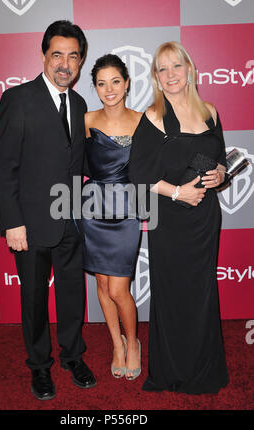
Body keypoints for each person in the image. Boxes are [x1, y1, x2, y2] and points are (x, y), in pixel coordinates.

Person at [0, 20, 96, 401]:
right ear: (43, 56)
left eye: (72, 56)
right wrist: (12, 222)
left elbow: (80, 162)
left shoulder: (80, 104)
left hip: (71, 220)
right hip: (30, 224)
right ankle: (39, 366)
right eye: (57, 55)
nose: (64, 63)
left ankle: (73, 355)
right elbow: (3, 167)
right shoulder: (18, 99)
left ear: (81, 61)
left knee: (72, 294)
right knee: (34, 299)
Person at [128, 41, 229, 394]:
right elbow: (138, 173)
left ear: (190, 69)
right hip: (170, 220)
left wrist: (220, 175)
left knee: (202, 292)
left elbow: (220, 161)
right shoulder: (154, 116)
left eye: (176, 66)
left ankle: (204, 367)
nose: (170, 74)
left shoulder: (210, 113)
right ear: (156, 77)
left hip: (204, 220)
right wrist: (177, 191)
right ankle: (172, 370)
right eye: (162, 69)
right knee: (172, 293)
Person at [82, 54, 142, 380]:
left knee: (119, 289)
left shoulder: (142, 120)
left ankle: (133, 342)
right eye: (102, 83)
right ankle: (116, 344)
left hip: (127, 210)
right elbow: (65, 158)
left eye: (115, 81)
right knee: (103, 286)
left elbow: (157, 164)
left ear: (127, 83)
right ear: (94, 87)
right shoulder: (86, 119)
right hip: (93, 209)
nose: (109, 89)